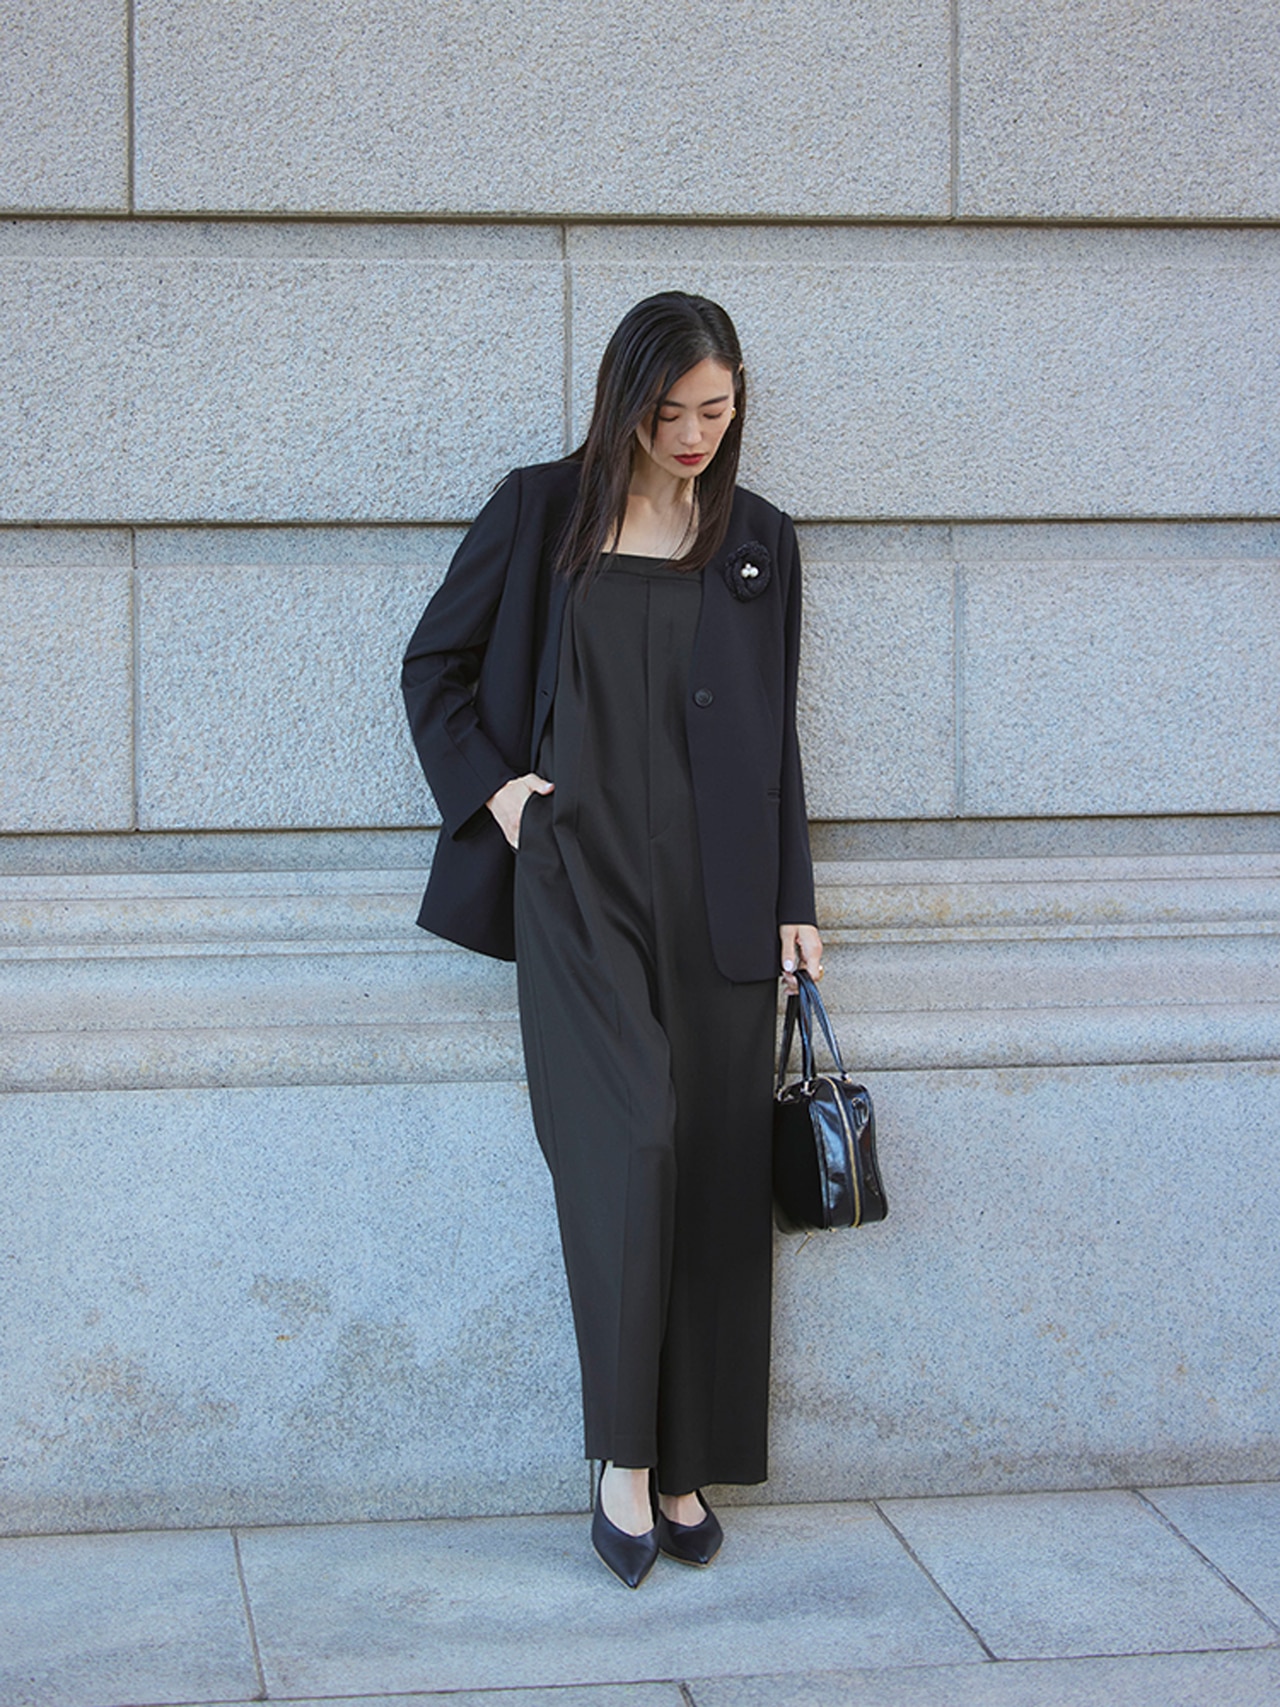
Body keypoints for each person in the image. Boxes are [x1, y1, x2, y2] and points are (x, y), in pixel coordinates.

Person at [401, 291, 822, 1587]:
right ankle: (623, 1460)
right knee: (633, 1144)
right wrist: (501, 795)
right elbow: (433, 666)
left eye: (717, 409)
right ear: (623, 401)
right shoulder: (542, 511)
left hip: (721, 897)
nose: (694, 435)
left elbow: (775, 734)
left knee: (712, 1169)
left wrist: (796, 899)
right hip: (579, 884)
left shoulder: (758, 541)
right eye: (670, 411)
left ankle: (687, 1462)